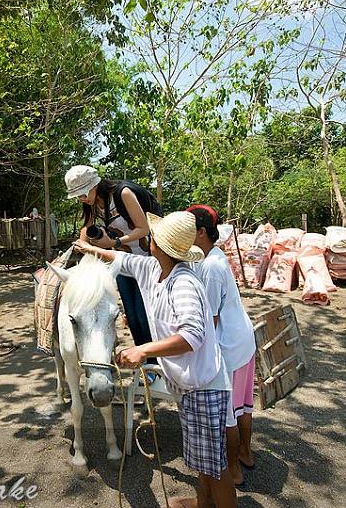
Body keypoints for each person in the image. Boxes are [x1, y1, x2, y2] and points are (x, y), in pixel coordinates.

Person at [74, 211, 236, 508]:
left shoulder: (183, 283)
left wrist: (143, 350)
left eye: (152, 237)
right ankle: (202, 504)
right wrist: (91, 249)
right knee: (202, 461)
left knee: (216, 467)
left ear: (156, 245)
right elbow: (121, 260)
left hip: (205, 386)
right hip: (187, 383)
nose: (148, 239)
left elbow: (192, 337)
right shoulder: (153, 269)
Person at [188, 205, 257, 488]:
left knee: (227, 415)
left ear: (201, 233)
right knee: (243, 405)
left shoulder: (212, 267)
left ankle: (232, 471)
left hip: (228, 345)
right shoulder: (212, 257)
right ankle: (245, 452)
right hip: (242, 340)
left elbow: (211, 320)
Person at [64, 165, 163, 362]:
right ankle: (144, 362)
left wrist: (114, 243)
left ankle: (156, 362)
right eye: (78, 196)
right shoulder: (92, 203)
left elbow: (144, 228)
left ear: (95, 185)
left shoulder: (123, 194)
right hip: (122, 262)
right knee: (132, 316)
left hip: (147, 261)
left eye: (83, 193)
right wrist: (83, 244)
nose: (81, 198)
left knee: (146, 314)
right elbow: (87, 228)